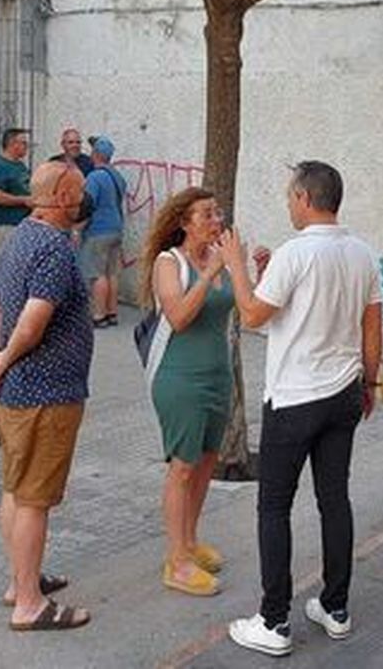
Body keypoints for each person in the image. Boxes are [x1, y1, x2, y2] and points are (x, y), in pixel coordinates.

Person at [220, 161, 382, 658]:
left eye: (291, 196)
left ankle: (273, 622)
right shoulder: (361, 253)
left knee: (274, 505)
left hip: (294, 399)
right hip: (343, 394)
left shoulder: (297, 251)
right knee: (335, 500)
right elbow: (371, 326)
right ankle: (335, 608)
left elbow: (250, 315)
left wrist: (237, 267)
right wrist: (369, 383)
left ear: (306, 199)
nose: (288, 204)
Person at [0, 160, 94, 632]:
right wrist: (2, 359)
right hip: (46, 394)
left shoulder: (21, 236)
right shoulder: (56, 249)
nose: (82, 199)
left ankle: (19, 580)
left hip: (17, 392)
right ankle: (29, 604)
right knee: (34, 500)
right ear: (62, 196)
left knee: (16, 491)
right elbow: (34, 320)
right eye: (78, 190)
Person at [140, 188, 236, 598]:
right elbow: (178, 317)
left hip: (218, 375)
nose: (217, 221)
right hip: (180, 378)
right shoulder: (169, 262)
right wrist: (212, 272)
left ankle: (191, 542)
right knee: (182, 466)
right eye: (206, 215)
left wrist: (256, 272)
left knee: (206, 461)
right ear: (184, 222)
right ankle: (176, 561)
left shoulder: (219, 259)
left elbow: (237, 307)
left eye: (218, 213)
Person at [82, 136, 128, 328]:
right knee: (112, 273)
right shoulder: (117, 176)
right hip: (116, 228)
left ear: (97, 154)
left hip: (98, 230)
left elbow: (87, 203)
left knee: (98, 274)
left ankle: (99, 315)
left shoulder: (94, 177)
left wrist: (78, 226)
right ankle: (112, 313)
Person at [0, 128, 36, 266]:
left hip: (21, 223)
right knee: (5, 265)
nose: (27, 147)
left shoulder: (20, 166)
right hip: (5, 225)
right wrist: (24, 200)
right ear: (12, 144)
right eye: (24, 143)